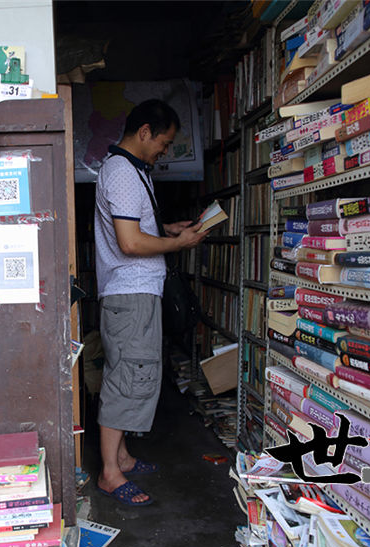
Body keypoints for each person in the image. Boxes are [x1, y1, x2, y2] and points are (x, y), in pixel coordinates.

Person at [94, 99, 209, 506]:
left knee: (131, 372)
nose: (165, 150)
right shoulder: (124, 173)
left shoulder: (128, 169)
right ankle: (109, 472)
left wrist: (165, 228)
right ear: (144, 132)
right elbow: (129, 242)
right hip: (130, 294)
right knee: (127, 377)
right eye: (164, 142)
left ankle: (121, 456)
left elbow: (134, 227)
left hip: (134, 293)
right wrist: (177, 243)